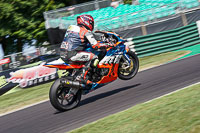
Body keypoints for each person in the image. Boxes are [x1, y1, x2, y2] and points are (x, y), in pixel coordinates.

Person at [60, 14, 111, 91]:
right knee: (94, 57)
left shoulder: (71, 29)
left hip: (63, 53)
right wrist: (108, 44)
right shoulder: (85, 31)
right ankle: (82, 77)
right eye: (91, 23)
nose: (92, 25)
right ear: (87, 22)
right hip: (72, 54)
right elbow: (95, 45)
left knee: (84, 57)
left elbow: (76, 40)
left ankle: (77, 75)